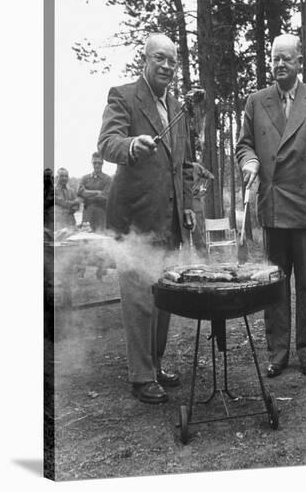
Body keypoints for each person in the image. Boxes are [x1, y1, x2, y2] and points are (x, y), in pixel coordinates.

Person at [98, 33, 196, 404]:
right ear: (145, 60)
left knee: (164, 297)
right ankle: (141, 377)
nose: (168, 67)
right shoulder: (122, 96)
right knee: (139, 299)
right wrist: (130, 145)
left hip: (169, 220)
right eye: (160, 59)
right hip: (135, 220)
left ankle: (155, 364)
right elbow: (106, 143)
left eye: (173, 61)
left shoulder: (176, 107)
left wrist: (187, 203)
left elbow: (184, 164)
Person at [236, 33, 306, 378]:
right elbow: (244, 146)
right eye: (274, 59)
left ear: (299, 62)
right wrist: (249, 163)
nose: (279, 64)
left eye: (286, 59)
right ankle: (277, 351)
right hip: (274, 206)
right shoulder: (256, 101)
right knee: (275, 282)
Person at [77, 152, 112, 232]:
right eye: (95, 163)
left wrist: (87, 193)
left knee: (101, 240)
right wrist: (98, 192)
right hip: (87, 214)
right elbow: (80, 193)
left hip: (101, 215)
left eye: (99, 163)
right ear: (91, 163)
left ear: (102, 163)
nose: (97, 165)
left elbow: (105, 197)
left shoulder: (108, 179)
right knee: (85, 239)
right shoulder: (85, 178)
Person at [191, 161, 214, 251]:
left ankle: (203, 259)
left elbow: (211, 177)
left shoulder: (195, 167)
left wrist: (203, 188)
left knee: (198, 233)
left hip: (195, 202)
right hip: (179, 202)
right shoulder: (174, 165)